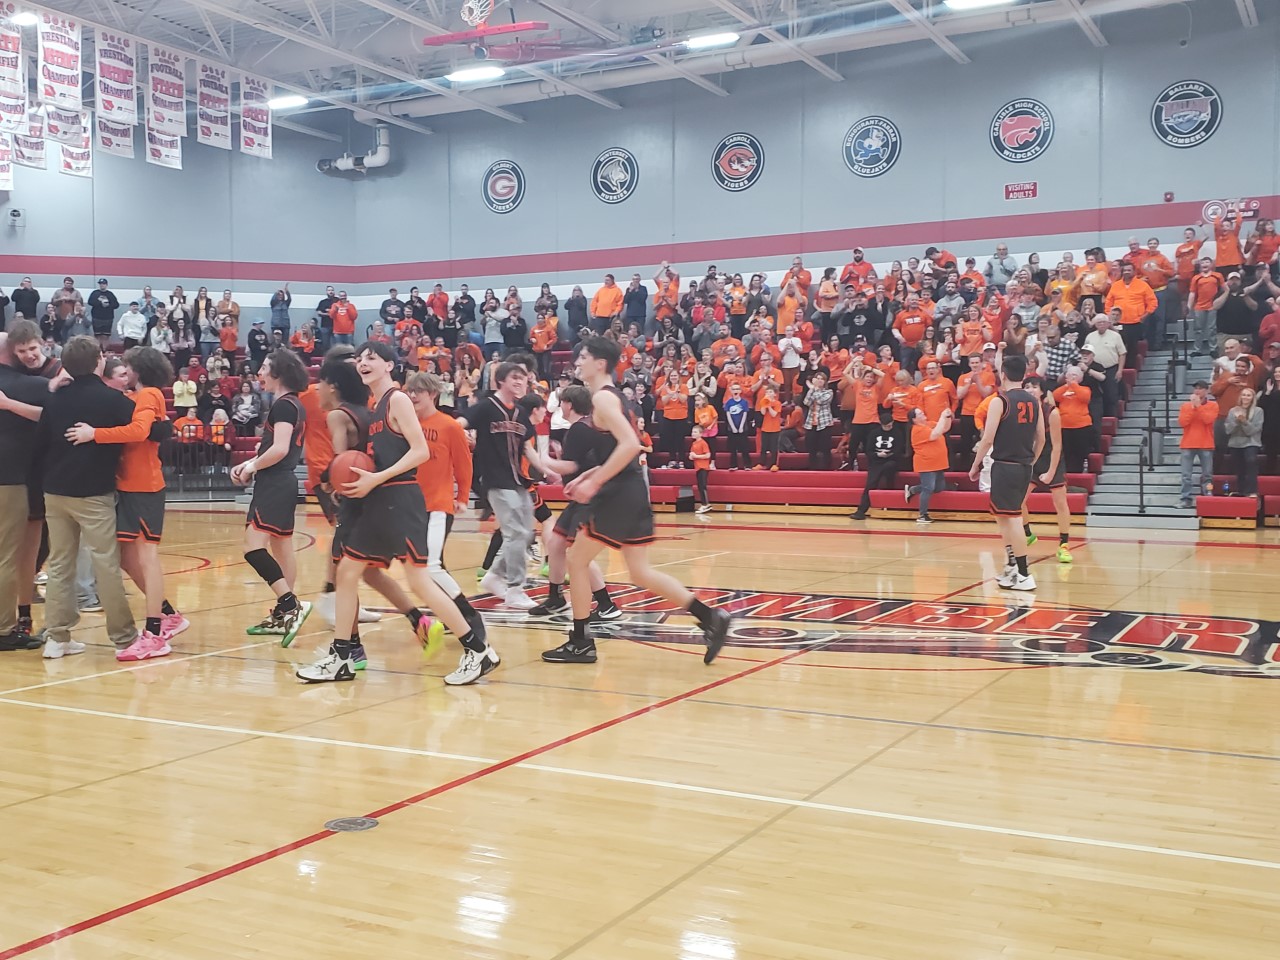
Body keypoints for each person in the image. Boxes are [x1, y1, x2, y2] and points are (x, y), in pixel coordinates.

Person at [296, 342, 495, 686]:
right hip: (381, 501)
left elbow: (420, 452)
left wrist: (377, 477)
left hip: (400, 499)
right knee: (347, 573)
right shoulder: (377, 406)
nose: (363, 362)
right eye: (360, 359)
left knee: (419, 580)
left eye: (372, 357)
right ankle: (342, 655)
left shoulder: (398, 399)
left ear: (390, 364)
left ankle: (477, 649)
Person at [541, 336, 731, 665]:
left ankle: (580, 641)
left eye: (583, 356)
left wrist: (595, 481)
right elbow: (627, 449)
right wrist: (590, 475)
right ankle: (710, 617)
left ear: (600, 363)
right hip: (632, 489)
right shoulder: (618, 398)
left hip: (616, 494)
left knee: (576, 560)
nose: (578, 361)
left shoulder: (601, 398)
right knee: (640, 572)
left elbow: (629, 444)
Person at [65, 346, 189, 660]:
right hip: (129, 484)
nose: (125, 371)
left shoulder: (149, 395)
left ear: (138, 368)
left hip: (144, 486)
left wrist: (95, 433)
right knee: (122, 556)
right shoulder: (139, 396)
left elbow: (138, 431)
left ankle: (155, 634)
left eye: (127, 367)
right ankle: (168, 614)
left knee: (147, 555)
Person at [31, 337, 137, 658]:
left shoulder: (55, 399)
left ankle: (57, 637)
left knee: (61, 565)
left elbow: (40, 445)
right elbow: (144, 431)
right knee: (105, 563)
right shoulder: (115, 400)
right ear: (99, 361)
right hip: (94, 493)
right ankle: (125, 638)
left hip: (55, 491)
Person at [232, 349, 312, 646]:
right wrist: (249, 465)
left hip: (276, 482)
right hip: (282, 481)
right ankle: (284, 612)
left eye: (265, 367)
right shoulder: (293, 405)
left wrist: (251, 466)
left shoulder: (283, 406)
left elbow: (279, 449)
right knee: (282, 547)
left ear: (278, 372)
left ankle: (290, 604)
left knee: (252, 548)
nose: (259, 373)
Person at [456, 361, 538, 610]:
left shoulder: (521, 413)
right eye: (514, 377)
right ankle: (515, 589)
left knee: (527, 534)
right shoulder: (485, 407)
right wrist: (463, 436)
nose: (519, 382)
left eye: (523, 378)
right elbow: (458, 423)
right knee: (515, 533)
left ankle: (493, 576)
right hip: (494, 479)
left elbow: (526, 447)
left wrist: (547, 467)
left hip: (518, 479)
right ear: (500, 380)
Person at [968, 354, 1044, 592]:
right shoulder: (1034, 401)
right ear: (1023, 374)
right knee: (1003, 517)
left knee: (1013, 520)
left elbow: (987, 438)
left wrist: (975, 464)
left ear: (1002, 374)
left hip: (1005, 466)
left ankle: (1024, 574)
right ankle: (1012, 566)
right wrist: (1032, 460)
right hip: (1023, 465)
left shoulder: (999, 401)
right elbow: (1041, 437)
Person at [0, 332, 52, 650]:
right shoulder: (32, 386)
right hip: (10, 480)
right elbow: (61, 418)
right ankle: (6, 629)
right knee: (8, 556)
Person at [1021, 377, 1072, 563]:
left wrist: (1051, 472)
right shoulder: (1023, 412)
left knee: (1060, 502)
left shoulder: (1052, 412)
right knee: (1018, 501)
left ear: (1042, 391)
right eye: (1026, 387)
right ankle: (1028, 534)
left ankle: (1064, 545)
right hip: (1032, 459)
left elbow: (1058, 446)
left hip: (1052, 457)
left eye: (1034, 386)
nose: (1030, 389)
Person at [851, 406, 901, 521]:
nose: (888, 428)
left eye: (890, 425)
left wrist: (890, 454)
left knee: (890, 468)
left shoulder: (897, 433)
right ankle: (861, 510)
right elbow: (868, 450)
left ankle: (890, 505)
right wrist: (878, 455)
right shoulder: (874, 433)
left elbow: (898, 449)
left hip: (891, 460)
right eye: (886, 426)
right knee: (870, 484)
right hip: (876, 461)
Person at [904, 406, 951, 524]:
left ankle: (913, 489)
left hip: (938, 462)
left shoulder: (929, 424)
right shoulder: (917, 430)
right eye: (919, 413)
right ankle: (922, 514)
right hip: (926, 463)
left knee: (939, 487)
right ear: (914, 419)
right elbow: (935, 434)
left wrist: (948, 416)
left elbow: (944, 428)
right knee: (928, 488)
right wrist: (942, 416)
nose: (923, 413)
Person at [1178, 380, 1217, 508]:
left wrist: (1199, 406)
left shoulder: (1213, 405)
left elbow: (1208, 420)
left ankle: (1208, 496)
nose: (1197, 391)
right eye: (1196, 388)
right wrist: (1193, 408)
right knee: (1186, 475)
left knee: (1207, 475)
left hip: (1206, 443)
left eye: (1200, 389)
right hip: (1188, 443)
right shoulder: (1185, 406)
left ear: (1206, 391)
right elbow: (1183, 422)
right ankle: (1186, 499)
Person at [1224, 387, 1262, 498]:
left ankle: (1252, 491)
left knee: (1251, 461)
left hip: (1251, 442)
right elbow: (1228, 430)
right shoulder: (1232, 411)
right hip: (1235, 443)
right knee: (1239, 468)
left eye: (1248, 395)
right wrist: (1237, 421)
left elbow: (1252, 431)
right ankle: (1241, 491)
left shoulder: (1258, 411)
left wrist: (1244, 421)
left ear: (1252, 398)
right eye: (1244, 395)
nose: (1245, 397)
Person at [690, 424, 713, 513]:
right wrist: (692, 456)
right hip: (698, 467)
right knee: (700, 486)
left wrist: (697, 456)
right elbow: (692, 454)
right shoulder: (694, 443)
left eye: (695, 432)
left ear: (701, 434)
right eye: (693, 432)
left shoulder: (703, 443)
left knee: (702, 486)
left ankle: (705, 504)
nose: (693, 433)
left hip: (703, 467)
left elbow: (708, 455)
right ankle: (704, 504)